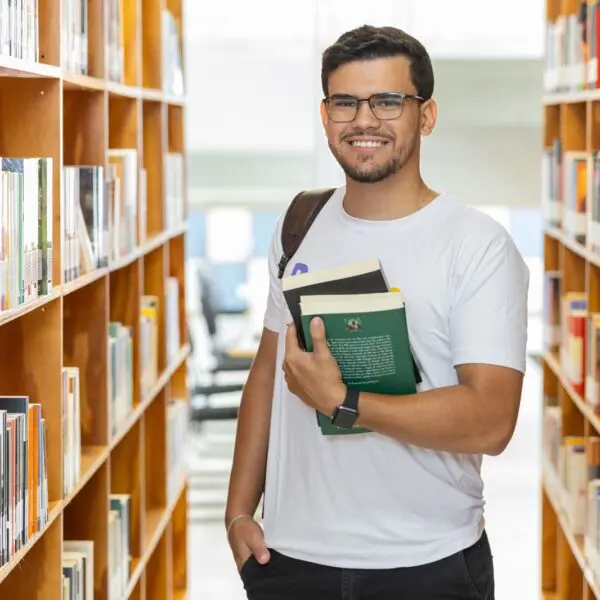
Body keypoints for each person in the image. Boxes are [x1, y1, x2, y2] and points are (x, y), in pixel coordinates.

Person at [225, 24, 529, 600]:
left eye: (388, 101)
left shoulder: (477, 245)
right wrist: (239, 511)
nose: (364, 121)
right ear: (325, 115)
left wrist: (343, 404)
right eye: (346, 102)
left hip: (428, 563)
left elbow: (491, 421)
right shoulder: (300, 226)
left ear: (427, 115)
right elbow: (266, 374)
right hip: (289, 561)